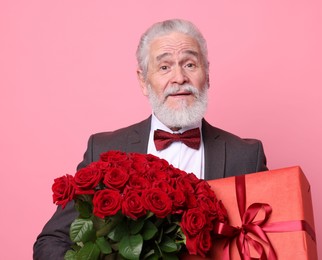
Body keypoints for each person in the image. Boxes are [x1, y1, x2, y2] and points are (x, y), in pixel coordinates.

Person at [33, 18, 268, 259]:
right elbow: (52, 241)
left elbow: (272, 245)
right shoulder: (103, 150)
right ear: (143, 81)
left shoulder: (247, 157)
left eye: (189, 64)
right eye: (164, 67)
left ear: (207, 74)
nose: (179, 78)